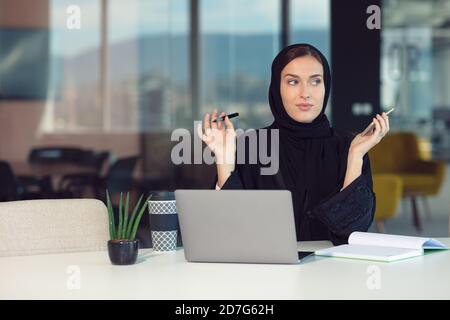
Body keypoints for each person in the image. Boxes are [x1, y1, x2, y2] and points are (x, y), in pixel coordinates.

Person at [197, 43, 389, 245]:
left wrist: (355, 158)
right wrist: (225, 158)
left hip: (333, 270)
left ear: (326, 87)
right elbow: (229, 229)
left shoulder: (351, 147)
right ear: (276, 88)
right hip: (266, 271)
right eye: (292, 82)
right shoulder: (249, 146)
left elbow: (352, 232)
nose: (305, 93)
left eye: (315, 81)